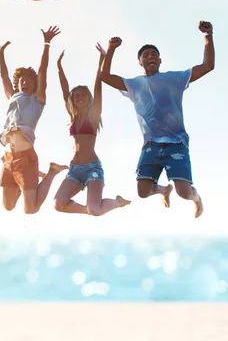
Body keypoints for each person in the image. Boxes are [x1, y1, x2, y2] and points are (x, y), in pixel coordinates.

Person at [100, 21, 216, 218]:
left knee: (183, 192)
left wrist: (208, 36)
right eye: (145, 55)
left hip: (176, 143)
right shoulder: (134, 84)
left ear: (160, 60)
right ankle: (163, 190)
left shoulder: (175, 79)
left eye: (154, 54)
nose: (150, 56)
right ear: (140, 63)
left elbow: (207, 66)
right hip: (151, 145)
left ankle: (197, 199)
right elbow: (105, 76)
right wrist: (111, 50)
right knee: (142, 191)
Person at [53, 44, 131, 216]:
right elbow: (64, 91)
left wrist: (102, 59)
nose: (79, 98)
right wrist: (59, 67)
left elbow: (98, 84)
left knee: (96, 210)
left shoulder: (94, 115)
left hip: (92, 169)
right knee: (58, 204)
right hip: (75, 170)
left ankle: (115, 203)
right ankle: (90, 210)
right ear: (73, 100)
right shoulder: (73, 117)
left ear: (89, 98)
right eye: (76, 96)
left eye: (83, 95)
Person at [0, 26, 68, 214]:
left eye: (29, 80)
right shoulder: (12, 97)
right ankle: (28, 181)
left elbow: (43, 69)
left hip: (26, 158)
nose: (25, 82)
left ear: (35, 84)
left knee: (30, 209)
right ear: (17, 83)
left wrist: (47, 43)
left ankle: (51, 171)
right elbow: (3, 76)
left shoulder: (37, 100)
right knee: (8, 206)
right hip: (8, 159)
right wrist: (0, 53)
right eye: (21, 80)